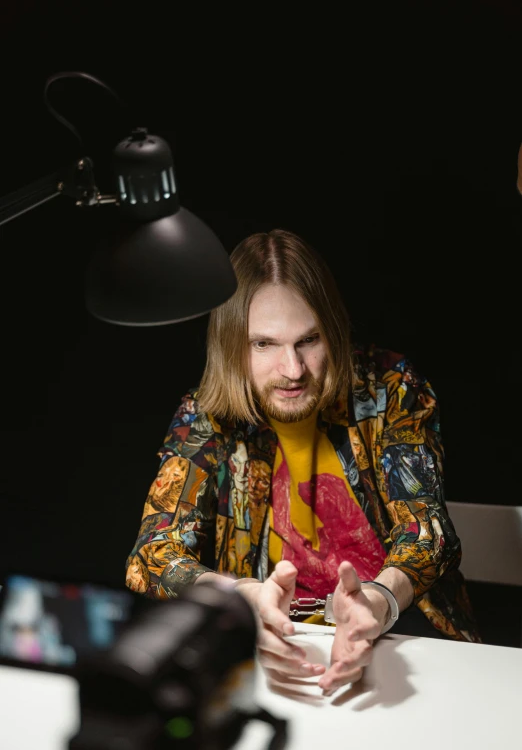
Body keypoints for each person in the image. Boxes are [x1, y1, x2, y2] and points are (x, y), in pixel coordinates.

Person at [125, 228, 480, 697]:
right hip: (271, 645)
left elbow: (427, 532)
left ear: (331, 330)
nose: (293, 370)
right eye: (264, 345)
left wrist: (376, 600)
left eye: (308, 340)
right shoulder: (205, 416)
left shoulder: (390, 387)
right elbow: (152, 555)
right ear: (232, 346)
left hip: (404, 635)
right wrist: (242, 600)